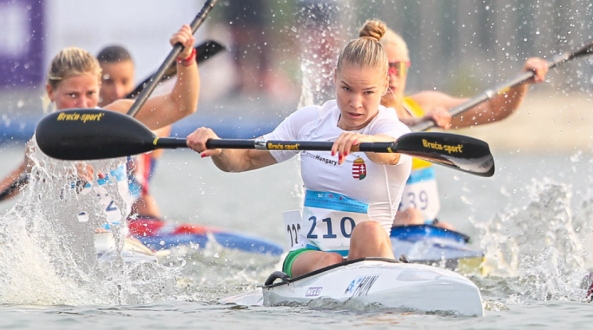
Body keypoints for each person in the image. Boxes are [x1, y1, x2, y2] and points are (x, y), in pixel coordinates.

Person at [186, 20, 411, 278]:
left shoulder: (392, 129)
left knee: (369, 231)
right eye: (346, 88)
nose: (355, 103)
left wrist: (364, 142)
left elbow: (390, 151)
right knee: (331, 259)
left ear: (384, 86)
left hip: (368, 256)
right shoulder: (310, 121)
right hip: (310, 256)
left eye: (368, 92)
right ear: (335, 77)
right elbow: (244, 159)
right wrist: (217, 146)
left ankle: (377, 299)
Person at [0, 25, 199, 238]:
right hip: (68, 240)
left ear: (98, 89)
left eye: (90, 93)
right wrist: (63, 172)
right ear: (51, 92)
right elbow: (27, 174)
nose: (83, 104)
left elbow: (183, 105)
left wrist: (186, 58)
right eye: (72, 95)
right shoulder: (41, 142)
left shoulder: (120, 116)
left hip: (115, 238)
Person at [378, 28, 550, 229]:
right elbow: (389, 124)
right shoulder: (360, 116)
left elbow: (494, 109)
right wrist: (418, 122)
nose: (392, 76)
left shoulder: (423, 105)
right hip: (384, 226)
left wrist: (521, 82)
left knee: (446, 227)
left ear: (407, 68)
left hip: (424, 225)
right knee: (412, 216)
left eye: (397, 67)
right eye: (385, 68)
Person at [96, 45, 171, 219]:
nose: (118, 91)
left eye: (124, 82)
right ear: (95, 82)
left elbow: (179, 107)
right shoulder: (79, 124)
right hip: (96, 219)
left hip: (141, 217)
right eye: (108, 82)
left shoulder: (152, 123)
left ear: (134, 81)